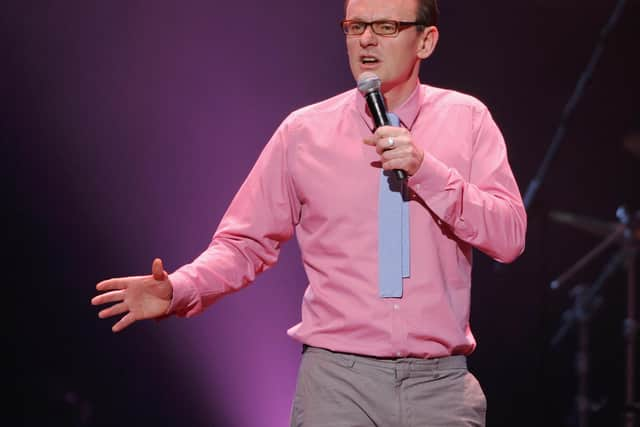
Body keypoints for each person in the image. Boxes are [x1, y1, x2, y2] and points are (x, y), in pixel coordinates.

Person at [91, 0, 527, 425]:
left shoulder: (468, 120)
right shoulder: (304, 133)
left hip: (440, 389)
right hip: (338, 384)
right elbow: (244, 244)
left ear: (426, 41)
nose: (367, 40)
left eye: (386, 27)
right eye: (355, 27)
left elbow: (508, 238)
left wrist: (426, 170)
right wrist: (180, 288)